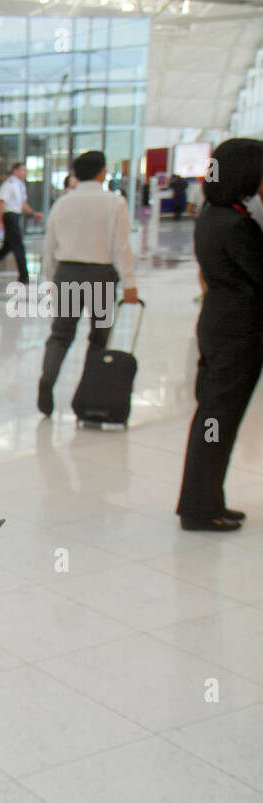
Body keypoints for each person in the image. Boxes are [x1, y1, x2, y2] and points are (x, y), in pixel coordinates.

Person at [175, 138, 263, 531]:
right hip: (237, 331)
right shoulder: (237, 223)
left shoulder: (212, 215)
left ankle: (208, 499)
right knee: (218, 420)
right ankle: (199, 507)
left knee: (214, 417)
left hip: (219, 324)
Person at [35, 151, 139, 417]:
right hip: (101, 276)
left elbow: (49, 247)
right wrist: (129, 283)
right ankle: (87, 393)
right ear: (102, 173)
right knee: (99, 337)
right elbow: (121, 246)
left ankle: (47, 381)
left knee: (60, 334)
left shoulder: (62, 204)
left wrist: (50, 278)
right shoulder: (115, 203)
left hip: (67, 272)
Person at [0, 161, 43, 284]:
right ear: (15, 171)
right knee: (18, 245)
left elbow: (23, 204)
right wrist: (0, 221)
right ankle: (24, 275)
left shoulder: (20, 185)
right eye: (22, 170)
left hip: (16, 216)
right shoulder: (9, 184)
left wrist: (34, 213)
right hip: (9, 216)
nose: (25, 173)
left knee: (8, 246)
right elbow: (1, 202)